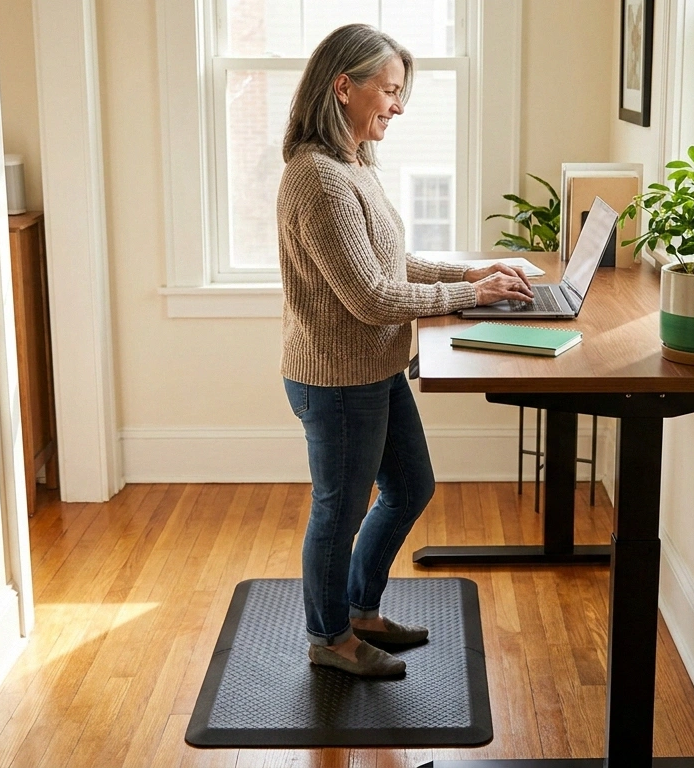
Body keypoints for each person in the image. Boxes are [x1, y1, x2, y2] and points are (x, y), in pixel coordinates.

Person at [279, 23, 537, 678]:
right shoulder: (318, 179)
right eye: (389, 90)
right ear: (345, 87)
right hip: (337, 380)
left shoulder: (354, 165)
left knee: (411, 487)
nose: (398, 105)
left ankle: (361, 609)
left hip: (374, 367)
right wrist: (470, 298)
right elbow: (370, 296)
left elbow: (393, 262)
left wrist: (471, 277)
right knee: (340, 513)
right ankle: (330, 638)